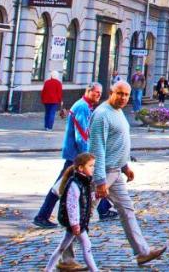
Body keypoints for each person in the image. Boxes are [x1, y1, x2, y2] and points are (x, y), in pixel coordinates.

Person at [90, 81, 166, 266]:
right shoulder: (101, 115)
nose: (123, 98)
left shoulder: (118, 112)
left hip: (116, 172)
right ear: (110, 92)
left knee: (126, 210)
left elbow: (118, 143)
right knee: (83, 214)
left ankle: (142, 252)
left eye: (126, 94)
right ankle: (66, 257)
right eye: (120, 93)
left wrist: (125, 167)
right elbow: (97, 149)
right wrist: (100, 181)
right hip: (104, 172)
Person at [34, 82, 114, 230]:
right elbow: (82, 135)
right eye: (96, 92)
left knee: (89, 182)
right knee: (61, 185)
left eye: (100, 93)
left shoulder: (85, 106)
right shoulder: (82, 107)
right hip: (76, 156)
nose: (98, 95)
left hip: (76, 154)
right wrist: (87, 156)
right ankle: (42, 216)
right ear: (88, 91)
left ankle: (104, 209)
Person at [44, 153, 98, 272]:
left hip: (78, 222)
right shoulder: (75, 184)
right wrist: (75, 224)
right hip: (76, 223)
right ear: (81, 168)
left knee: (62, 248)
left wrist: (96, 195)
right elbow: (72, 206)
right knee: (87, 246)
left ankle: (48, 269)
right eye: (91, 166)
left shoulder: (84, 182)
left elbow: (85, 199)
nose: (93, 168)